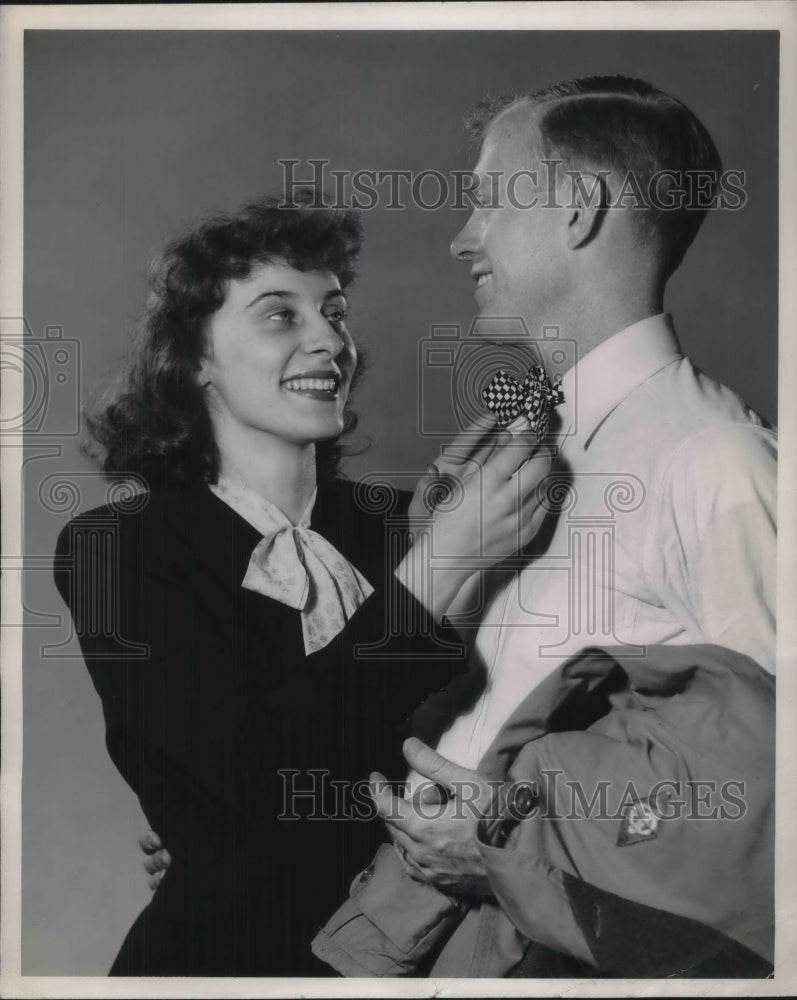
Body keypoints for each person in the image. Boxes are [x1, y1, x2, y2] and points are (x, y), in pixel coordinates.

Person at [312, 76, 777, 977]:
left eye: (488, 201)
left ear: (579, 212)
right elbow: (468, 732)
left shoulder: (718, 465)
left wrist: (503, 855)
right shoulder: (504, 458)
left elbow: (766, 814)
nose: (460, 237)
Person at [53, 192, 551, 975]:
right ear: (194, 360)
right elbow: (255, 783)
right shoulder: (117, 548)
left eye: (336, 312)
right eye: (280, 316)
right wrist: (436, 573)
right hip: (223, 966)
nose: (330, 341)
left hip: (432, 960)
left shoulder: (410, 520)